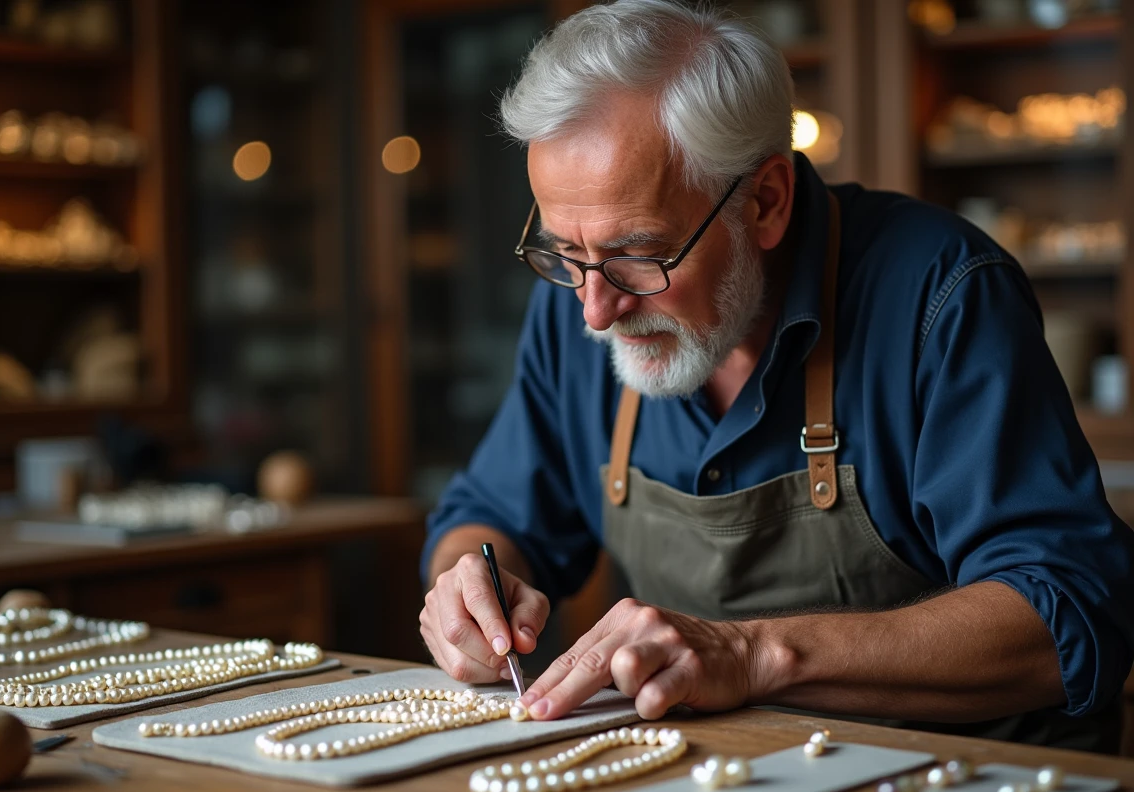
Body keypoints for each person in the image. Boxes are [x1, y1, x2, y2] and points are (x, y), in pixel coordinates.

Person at [418, 0, 1134, 752]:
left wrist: (753, 654)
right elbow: (491, 515)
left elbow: (1066, 614)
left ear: (765, 202)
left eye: (642, 253)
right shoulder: (582, 299)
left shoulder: (940, 293)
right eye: (564, 251)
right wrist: (465, 585)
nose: (596, 311)